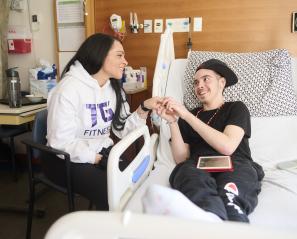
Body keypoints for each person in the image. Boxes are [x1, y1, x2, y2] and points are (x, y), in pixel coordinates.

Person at [47, 33, 161, 210]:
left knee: (136, 184)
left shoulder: (114, 88)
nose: (125, 61)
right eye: (119, 55)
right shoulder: (67, 90)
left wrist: (144, 107)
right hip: (64, 159)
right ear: (100, 55)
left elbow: (122, 129)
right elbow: (60, 143)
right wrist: (96, 158)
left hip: (101, 152)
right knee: (115, 193)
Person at [148, 59, 264, 222]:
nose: (199, 86)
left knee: (231, 197)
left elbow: (227, 147)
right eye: (196, 82)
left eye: (206, 79)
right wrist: (173, 121)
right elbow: (181, 158)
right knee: (186, 173)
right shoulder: (188, 116)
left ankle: (233, 220)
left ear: (221, 82)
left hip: (235, 164)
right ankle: (210, 216)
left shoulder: (236, 108)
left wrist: (186, 115)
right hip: (197, 166)